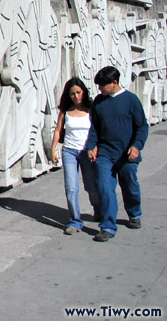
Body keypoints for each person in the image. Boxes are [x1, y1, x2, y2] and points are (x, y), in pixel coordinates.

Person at [86, 66, 149, 242]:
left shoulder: (131, 100)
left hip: (127, 154)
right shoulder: (98, 102)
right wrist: (91, 146)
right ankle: (107, 227)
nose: (99, 89)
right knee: (105, 189)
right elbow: (94, 128)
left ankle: (134, 213)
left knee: (130, 186)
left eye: (102, 85)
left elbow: (142, 126)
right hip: (105, 153)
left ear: (114, 83)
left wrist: (136, 146)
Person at [50, 78, 101, 235]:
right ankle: (75, 221)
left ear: (83, 92)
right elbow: (58, 130)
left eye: (78, 92)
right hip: (70, 152)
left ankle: (98, 209)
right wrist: (53, 150)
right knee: (71, 188)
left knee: (91, 186)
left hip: (87, 152)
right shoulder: (65, 111)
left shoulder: (91, 109)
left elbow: (97, 130)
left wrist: (95, 148)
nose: (76, 96)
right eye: (72, 94)